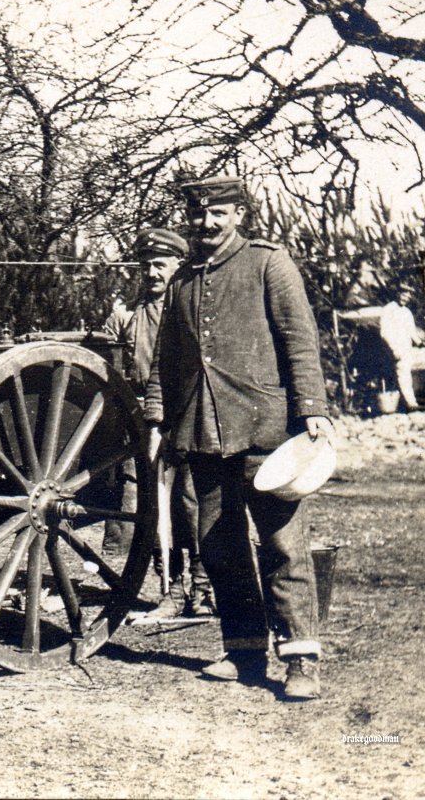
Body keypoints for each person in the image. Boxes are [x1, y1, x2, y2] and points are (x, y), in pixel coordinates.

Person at [145, 175, 334, 701]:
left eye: (218, 213)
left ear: (239, 215)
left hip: (264, 429)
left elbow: (300, 341)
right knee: (220, 546)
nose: (206, 223)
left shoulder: (268, 262)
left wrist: (312, 409)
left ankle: (300, 659)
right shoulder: (182, 280)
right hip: (202, 432)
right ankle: (244, 649)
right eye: (198, 214)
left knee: (282, 544)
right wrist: (159, 416)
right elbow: (166, 358)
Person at [103, 227, 214, 619]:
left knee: (192, 503)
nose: (151, 272)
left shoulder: (189, 307)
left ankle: (202, 590)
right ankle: (172, 589)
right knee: (153, 505)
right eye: (146, 265)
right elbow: (106, 354)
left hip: (188, 417)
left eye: (160, 265)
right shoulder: (128, 315)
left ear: (177, 266)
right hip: (143, 422)